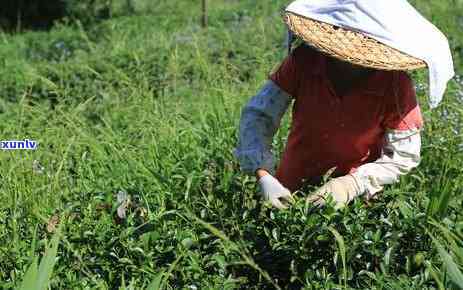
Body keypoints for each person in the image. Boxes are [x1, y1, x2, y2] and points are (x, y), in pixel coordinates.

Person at [235, 0, 454, 209]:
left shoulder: (395, 84)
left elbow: (403, 155)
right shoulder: (305, 61)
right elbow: (259, 115)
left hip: (358, 198)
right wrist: (263, 175)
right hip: (290, 187)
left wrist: (350, 185)